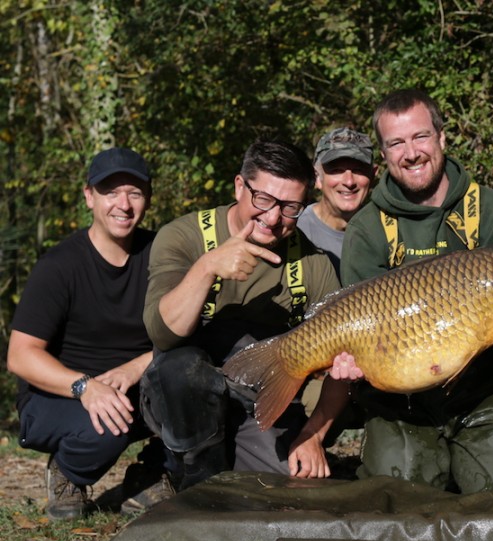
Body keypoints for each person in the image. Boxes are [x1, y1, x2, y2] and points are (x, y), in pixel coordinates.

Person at [339, 88, 493, 494]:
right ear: (383, 155)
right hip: (401, 405)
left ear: (442, 138)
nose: (411, 152)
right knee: (398, 507)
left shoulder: (492, 211)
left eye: (420, 137)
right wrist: (350, 359)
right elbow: (355, 324)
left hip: (487, 394)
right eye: (396, 143)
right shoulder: (367, 228)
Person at [140, 139, 350, 490]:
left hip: (259, 399)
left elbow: (343, 363)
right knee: (182, 371)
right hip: (179, 392)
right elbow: (163, 334)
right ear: (240, 186)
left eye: (290, 207)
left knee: (287, 492)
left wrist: (312, 436)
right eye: (264, 200)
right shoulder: (182, 237)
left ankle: (213, 463)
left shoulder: (314, 263)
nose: (272, 218)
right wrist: (207, 268)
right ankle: (189, 470)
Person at [7, 147, 172, 519]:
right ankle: (68, 472)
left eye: (134, 192)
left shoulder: (161, 254)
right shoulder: (59, 265)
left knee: (204, 392)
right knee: (107, 425)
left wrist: (136, 367)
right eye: (110, 192)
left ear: (147, 198)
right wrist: (86, 387)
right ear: (89, 197)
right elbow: (20, 355)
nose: (123, 204)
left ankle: (152, 473)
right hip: (58, 395)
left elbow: (188, 329)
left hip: (135, 387)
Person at [297, 127, 376, 277]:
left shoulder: (387, 232)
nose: (349, 181)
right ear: (317, 178)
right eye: (337, 170)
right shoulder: (295, 232)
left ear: (373, 176)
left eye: (358, 170)